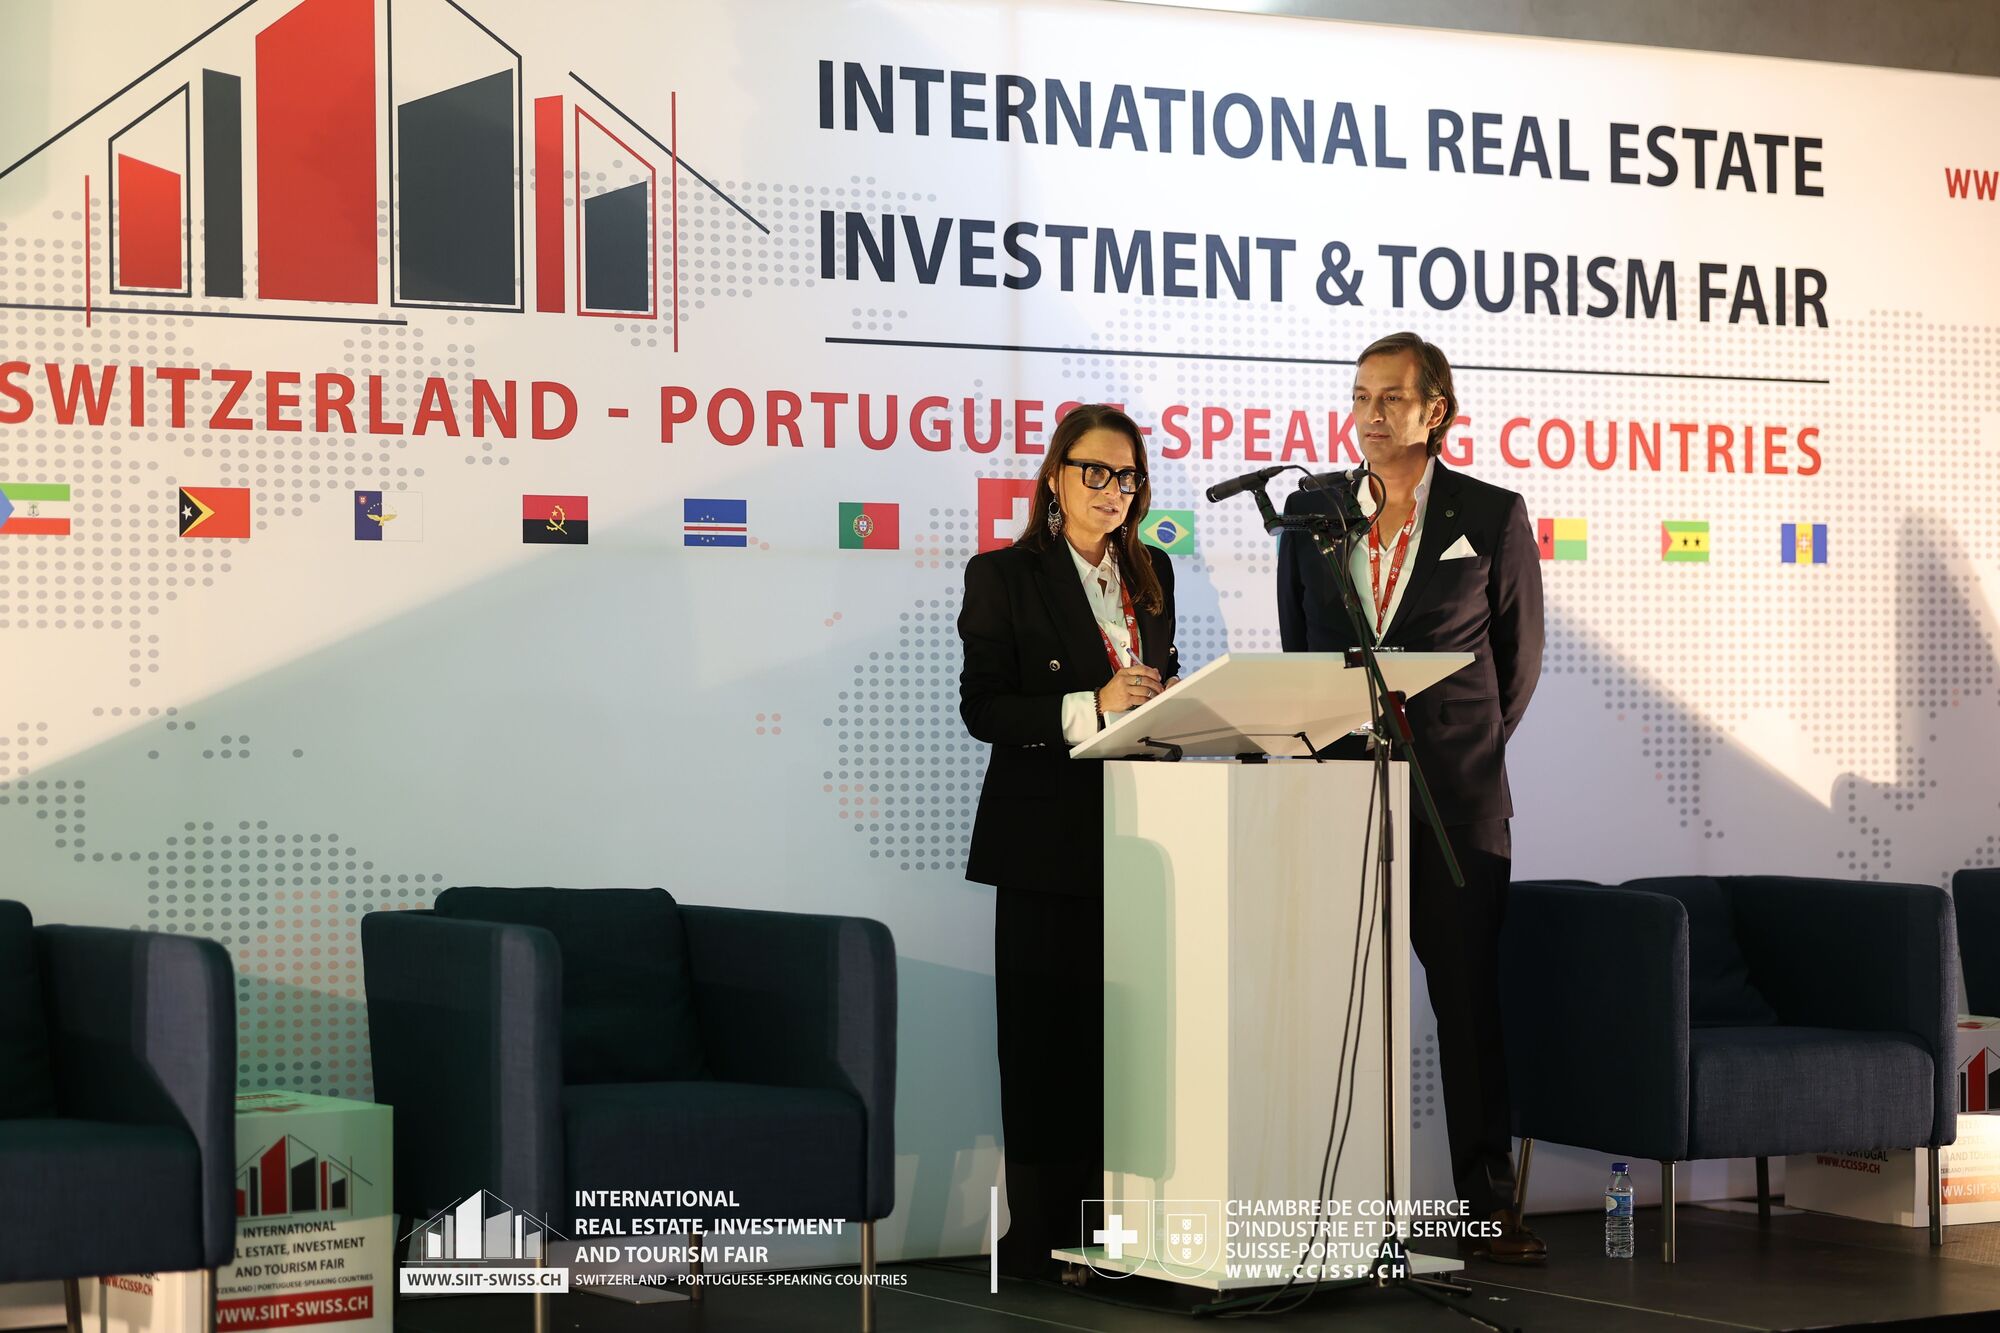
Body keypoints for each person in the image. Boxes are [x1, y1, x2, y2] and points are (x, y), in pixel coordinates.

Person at [1276, 332, 1546, 1263]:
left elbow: (1517, 662)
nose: (1371, 414)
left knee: (1467, 1005)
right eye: (1361, 396)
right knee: (1337, 997)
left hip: (1455, 802)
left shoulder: (1491, 512)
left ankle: (1486, 1205)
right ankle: (1332, 1202)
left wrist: (1455, 746)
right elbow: (1303, 646)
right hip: (1343, 795)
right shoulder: (1312, 511)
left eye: (1391, 397)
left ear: (1437, 411)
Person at [958, 403, 1182, 1281]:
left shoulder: (1154, 572)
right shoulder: (1004, 575)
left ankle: (1114, 1231)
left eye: (1127, 476)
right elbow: (985, 708)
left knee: (1121, 1046)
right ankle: (1043, 1236)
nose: (1112, 490)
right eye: (1095, 471)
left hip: (1144, 839)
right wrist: (1095, 704)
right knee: (1044, 1045)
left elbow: (1157, 683)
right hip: (1044, 839)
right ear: (1055, 476)